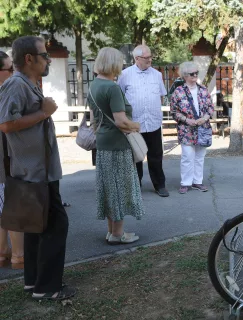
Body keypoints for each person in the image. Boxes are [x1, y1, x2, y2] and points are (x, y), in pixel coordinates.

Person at [0, 36, 76, 300]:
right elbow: (6, 124)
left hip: (39, 171)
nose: (48, 60)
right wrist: (44, 113)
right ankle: (47, 288)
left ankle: (33, 283)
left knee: (36, 227)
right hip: (34, 172)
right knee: (56, 225)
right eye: (44, 55)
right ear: (29, 58)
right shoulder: (16, 85)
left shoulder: (27, 84)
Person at [88, 47, 144, 245]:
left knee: (110, 187)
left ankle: (112, 232)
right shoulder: (112, 87)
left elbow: (96, 118)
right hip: (117, 143)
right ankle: (119, 234)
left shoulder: (95, 84)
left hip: (103, 142)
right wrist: (136, 125)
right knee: (119, 188)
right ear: (113, 63)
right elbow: (121, 121)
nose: (122, 65)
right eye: (120, 61)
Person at [117, 45, 169, 197]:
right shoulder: (125, 75)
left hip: (153, 122)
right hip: (134, 124)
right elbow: (120, 97)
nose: (150, 60)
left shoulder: (157, 75)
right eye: (147, 58)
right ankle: (135, 186)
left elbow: (161, 95)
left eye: (151, 57)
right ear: (137, 59)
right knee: (135, 156)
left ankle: (160, 185)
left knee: (156, 156)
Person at [170, 61, 214, 194]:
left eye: (196, 73)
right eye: (192, 74)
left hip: (202, 128)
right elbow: (174, 112)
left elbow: (210, 108)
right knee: (188, 156)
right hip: (186, 129)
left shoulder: (203, 90)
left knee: (200, 156)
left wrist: (205, 118)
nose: (195, 75)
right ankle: (185, 183)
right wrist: (187, 120)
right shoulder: (178, 92)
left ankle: (197, 182)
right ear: (184, 75)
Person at [0, 51, 24, 270]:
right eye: (9, 69)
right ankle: (18, 256)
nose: (13, 73)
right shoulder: (4, 95)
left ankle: (3, 252)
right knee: (12, 208)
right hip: (5, 163)